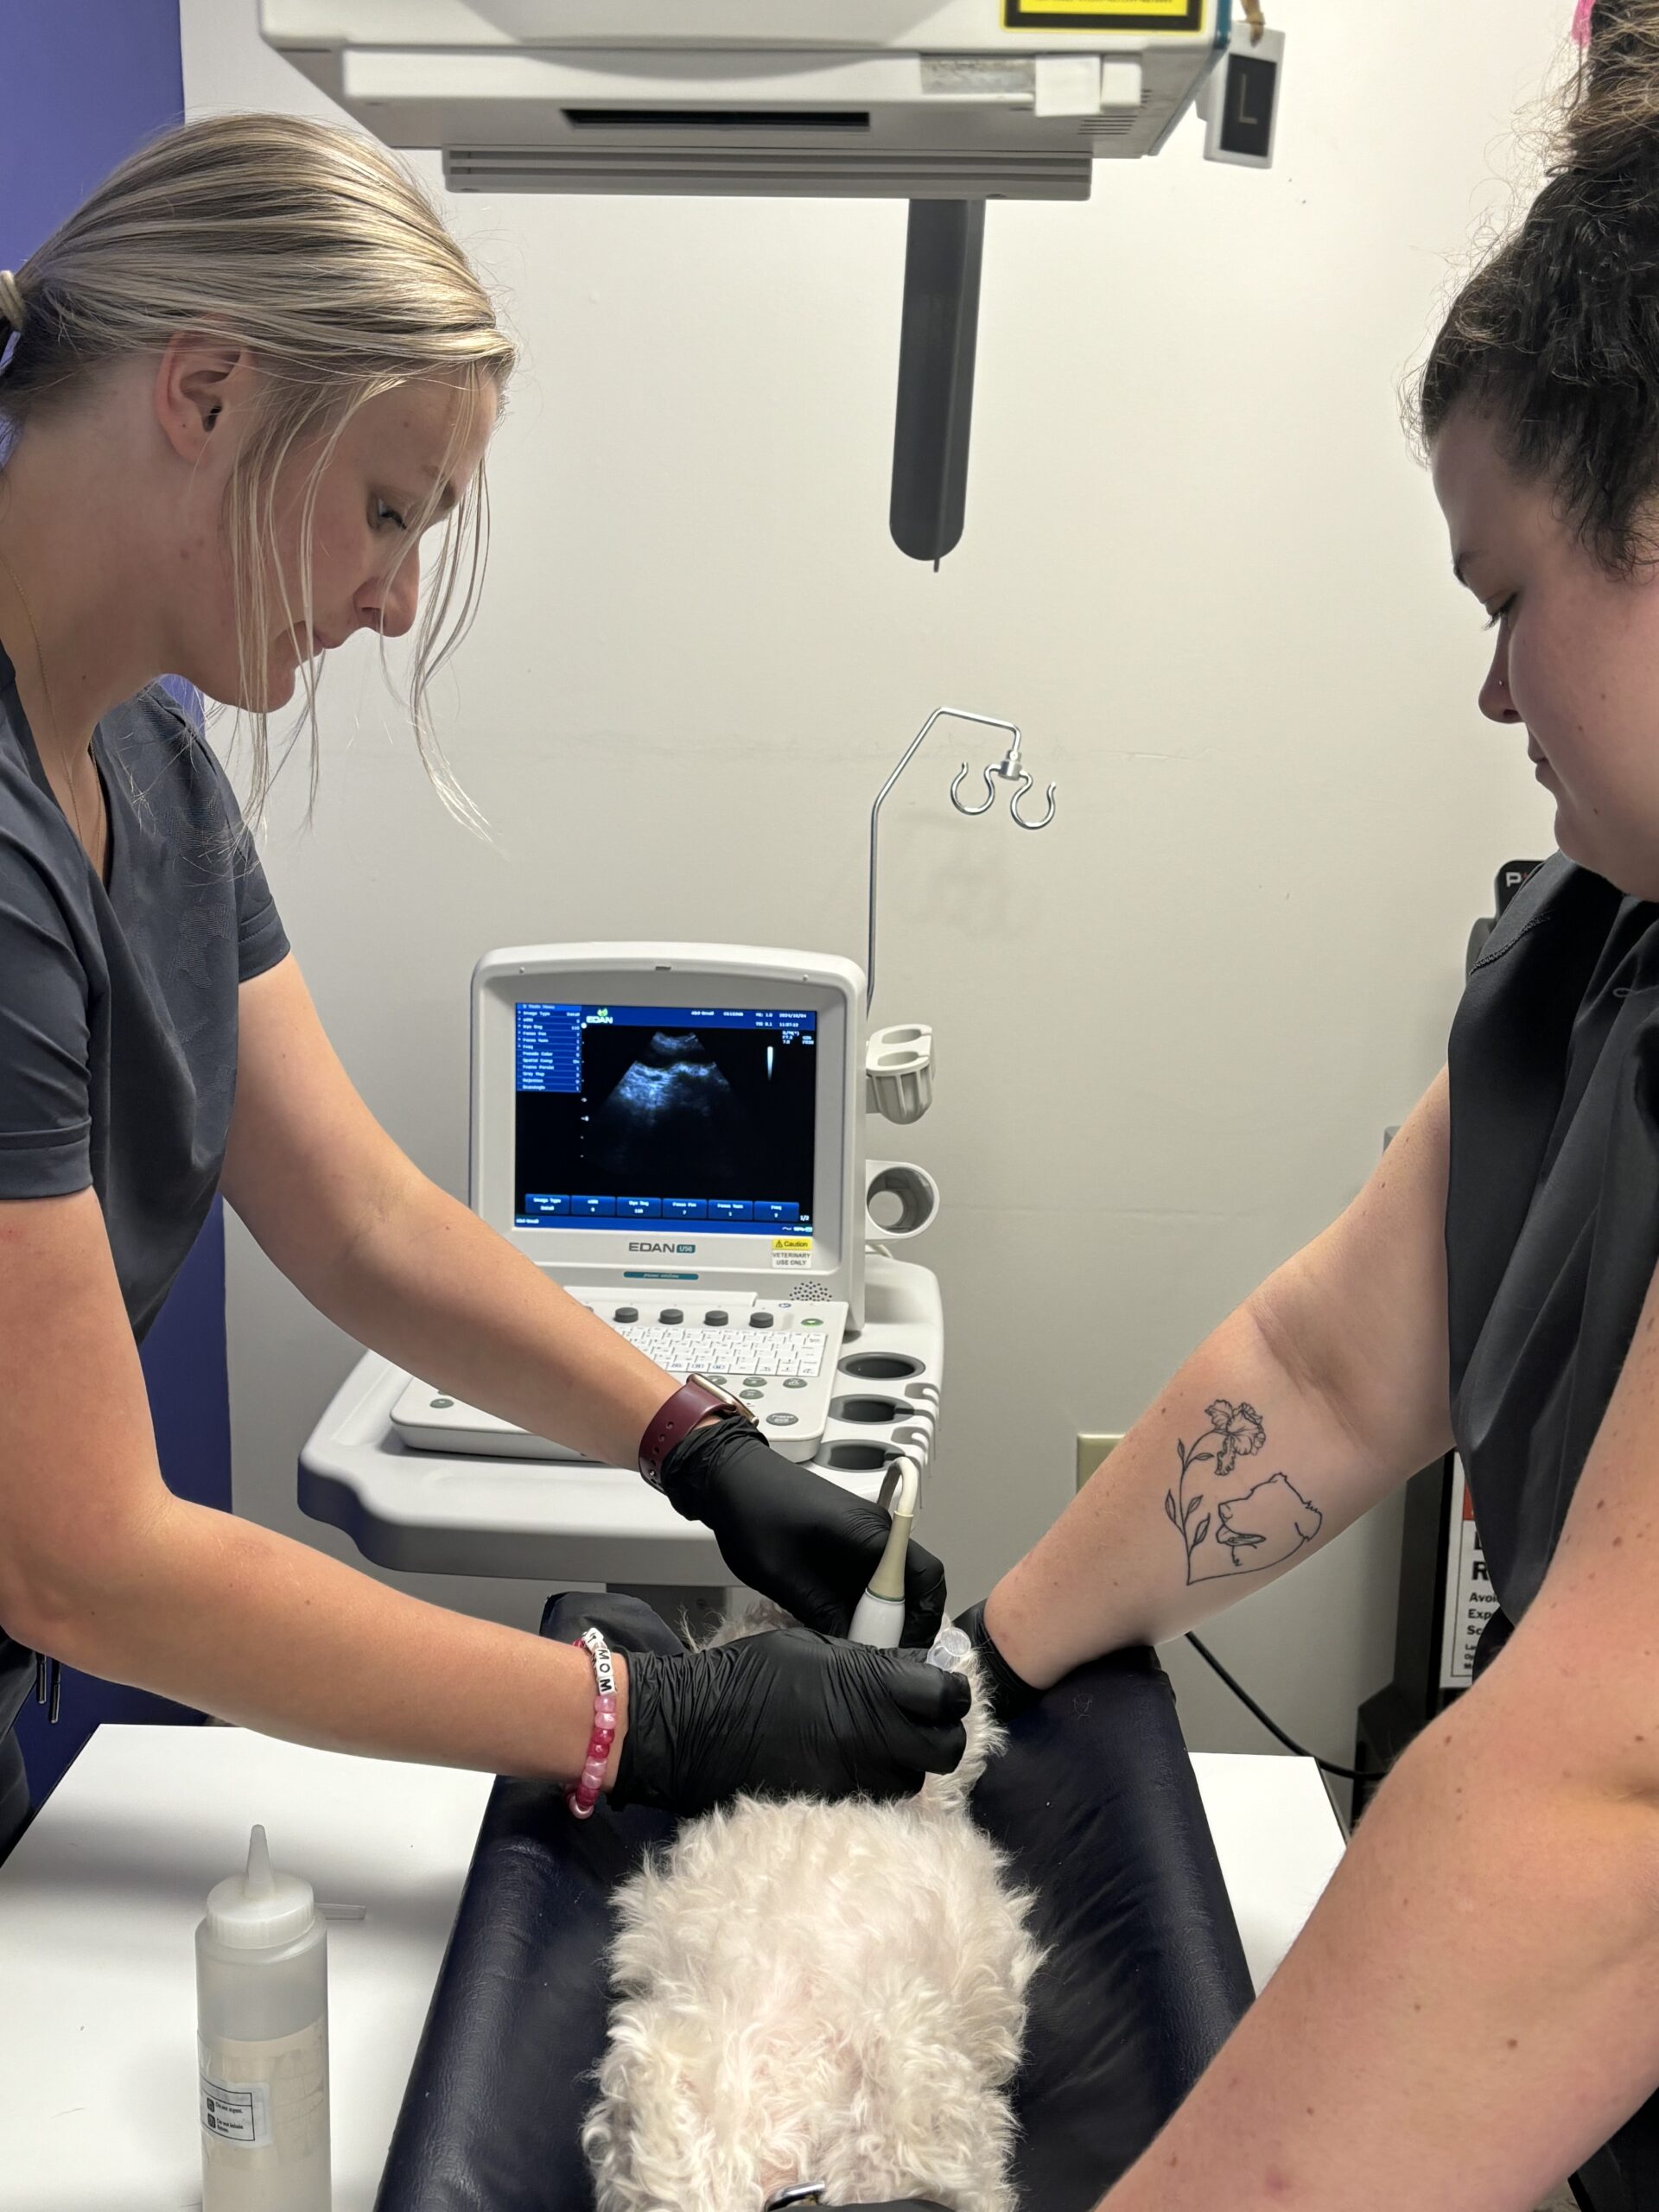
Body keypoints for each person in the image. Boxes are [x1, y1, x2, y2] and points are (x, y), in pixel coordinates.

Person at [0, 111, 970, 1860]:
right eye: (386, 509)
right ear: (205, 394)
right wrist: (637, 1714)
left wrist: (698, 1447)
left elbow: (362, 1217)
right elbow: (77, 1549)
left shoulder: (149, 769)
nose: (394, 600)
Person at [950, 7, 1659, 2204]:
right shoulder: (1596, 953)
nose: (1492, 684)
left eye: (1509, 597)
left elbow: (1608, 1792)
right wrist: (980, 1680)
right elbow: (1331, 1365)